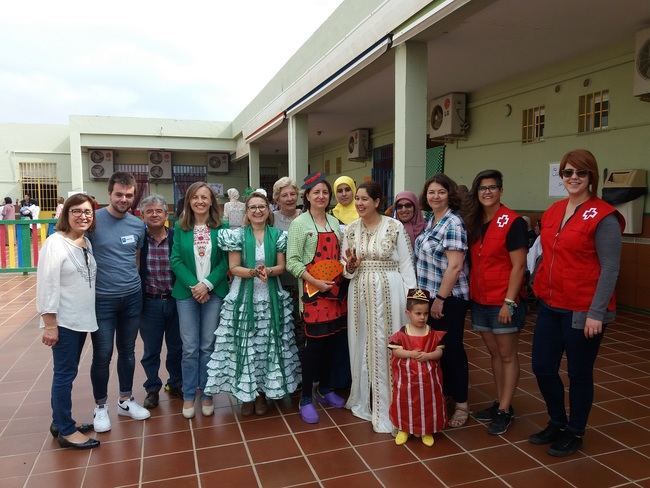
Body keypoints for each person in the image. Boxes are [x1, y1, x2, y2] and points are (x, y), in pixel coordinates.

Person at [530, 149, 624, 457]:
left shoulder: (603, 216)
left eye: (580, 173)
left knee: (579, 373)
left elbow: (610, 267)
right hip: (550, 304)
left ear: (591, 177)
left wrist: (597, 313)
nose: (573, 178)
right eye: (568, 173)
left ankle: (575, 430)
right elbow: (546, 253)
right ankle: (557, 421)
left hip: (583, 310)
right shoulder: (555, 210)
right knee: (543, 367)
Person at [206, 192, 300, 415]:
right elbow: (234, 267)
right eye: (253, 207)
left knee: (268, 346)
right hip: (242, 297)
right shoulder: (236, 235)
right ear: (246, 213)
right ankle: (247, 397)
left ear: (268, 210)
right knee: (245, 346)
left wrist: (267, 271)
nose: (258, 211)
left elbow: (281, 267)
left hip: (270, 298)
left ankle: (263, 395)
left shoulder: (277, 235)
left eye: (262, 207)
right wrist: (253, 272)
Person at [342, 181, 416, 433]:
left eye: (364, 199)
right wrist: (350, 266)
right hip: (360, 293)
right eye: (357, 199)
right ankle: (365, 399)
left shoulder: (394, 227)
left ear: (377, 201)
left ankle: (392, 405)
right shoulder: (350, 230)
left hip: (391, 293)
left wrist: (412, 301)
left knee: (389, 344)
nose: (360, 203)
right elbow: (346, 269)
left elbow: (406, 265)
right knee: (362, 343)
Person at [464, 170, 528, 435]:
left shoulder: (513, 222)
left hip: (504, 302)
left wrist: (509, 302)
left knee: (507, 355)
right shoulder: (475, 221)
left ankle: (504, 409)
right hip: (480, 299)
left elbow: (519, 265)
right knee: (494, 355)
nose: (487, 192)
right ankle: (501, 402)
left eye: (492, 187)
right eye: (482, 188)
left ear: (501, 190)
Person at [37, 193, 99, 449]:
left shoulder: (85, 243)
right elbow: (46, 285)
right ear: (66, 214)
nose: (83, 216)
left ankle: (60, 420)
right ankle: (65, 430)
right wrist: (50, 323)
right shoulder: (55, 243)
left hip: (81, 318)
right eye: (77, 211)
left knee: (68, 373)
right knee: (64, 374)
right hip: (63, 322)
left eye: (87, 212)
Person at [88, 173, 150, 432]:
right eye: (119, 194)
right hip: (102, 301)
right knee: (103, 355)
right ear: (109, 194)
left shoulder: (138, 225)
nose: (124, 199)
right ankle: (100, 407)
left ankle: (125, 400)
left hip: (132, 298)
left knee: (127, 352)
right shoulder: (93, 222)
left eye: (129, 195)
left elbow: (136, 258)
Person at [287, 172, 348, 424]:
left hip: (336, 292)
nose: (321, 196)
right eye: (316, 193)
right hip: (313, 294)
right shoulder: (299, 224)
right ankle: (306, 398)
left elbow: (341, 257)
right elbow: (292, 261)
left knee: (333, 344)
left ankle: (325, 389)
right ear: (308, 196)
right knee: (313, 348)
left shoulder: (335, 223)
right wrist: (314, 281)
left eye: (325, 192)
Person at [414, 174, 471, 428]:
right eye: (431, 192)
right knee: (437, 350)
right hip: (428, 295)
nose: (435, 196)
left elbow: (455, 266)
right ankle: (444, 394)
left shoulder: (453, 223)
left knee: (452, 351)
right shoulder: (431, 221)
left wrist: (440, 299)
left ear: (450, 195)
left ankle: (461, 404)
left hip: (448, 298)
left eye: (440, 192)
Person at [171, 182, 230, 419]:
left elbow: (226, 261)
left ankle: (206, 393)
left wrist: (207, 285)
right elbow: (175, 260)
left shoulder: (222, 227)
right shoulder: (180, 227)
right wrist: (195, 286)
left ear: (211, 201)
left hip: (213, 292)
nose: (200, 201)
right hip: (187, 294)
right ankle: (188, 395)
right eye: (195, 197)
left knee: (208, 346)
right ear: (188, 201)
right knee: (189, 348)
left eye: (204, 197)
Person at [138, 195, 182, 409]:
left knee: (177, 347)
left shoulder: (176, 237)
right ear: (142, 215)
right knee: (151, 349)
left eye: (159, 211)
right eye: (149, 211)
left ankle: (175, 383)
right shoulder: (140, 240)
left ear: (166, 215)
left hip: (175, 300)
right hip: (150, 303)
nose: (154, 215)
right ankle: (152, 388)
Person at [389, 288, 446, 447]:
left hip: (428, 381)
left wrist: (428, 356)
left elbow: (439, 352)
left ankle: (426, 430)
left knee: (427, 403)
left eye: (425, 314)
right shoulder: (402, 332)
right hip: (406, 381)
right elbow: (396, 351)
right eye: (418, 313)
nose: (422, 317)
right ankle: (403, 428)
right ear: (408, 313)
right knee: (405, 403)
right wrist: (409, 353)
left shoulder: (432, 332)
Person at [271, 177, 304, 362]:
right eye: (285, 195)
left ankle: (300, 370)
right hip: (278, 282)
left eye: (293, 194)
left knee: (300, 328)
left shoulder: (305, 216)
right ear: (277, 198)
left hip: (302, 282)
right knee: (282, 327)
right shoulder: (271, 218)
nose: (290, 198)